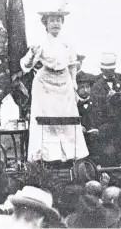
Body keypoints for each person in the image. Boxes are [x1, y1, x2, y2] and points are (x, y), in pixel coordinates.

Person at [20, 9, 89, 162]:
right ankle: (46, 159)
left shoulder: (67, 43)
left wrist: (74, 83)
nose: (56, 23)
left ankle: (70, 157)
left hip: (64, 85)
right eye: (52, 20)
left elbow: (72, 64)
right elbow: (26, 65)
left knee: (67, 122)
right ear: (46, 23)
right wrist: (31, 53)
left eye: (59, 20)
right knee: (46, 122)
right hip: (45, 84)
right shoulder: (41, 43)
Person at [90, 53, 121, 166]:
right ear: (102, 70)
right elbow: (96, 110)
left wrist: (117, 96)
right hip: (105, 127)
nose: (110, 72)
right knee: (108, 155)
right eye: (107, 70)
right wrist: (108, 100)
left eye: (112, 69)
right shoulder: (96, 87)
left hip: (120, 126)